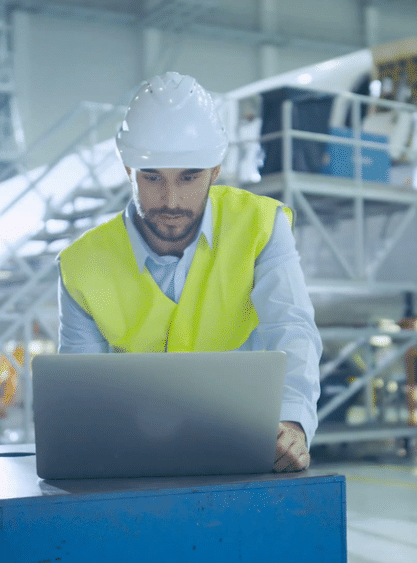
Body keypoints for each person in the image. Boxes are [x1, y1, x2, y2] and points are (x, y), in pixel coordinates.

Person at [57, 72, 321, 472]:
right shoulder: (82, 264)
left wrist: (292, 422)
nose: (171, 200)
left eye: (189, 177)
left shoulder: (260, 226)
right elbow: (79, 401)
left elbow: (293, 328)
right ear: (128, 169)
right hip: (134, 456)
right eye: (152, 178)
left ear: (215, 171)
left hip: (247, 447)